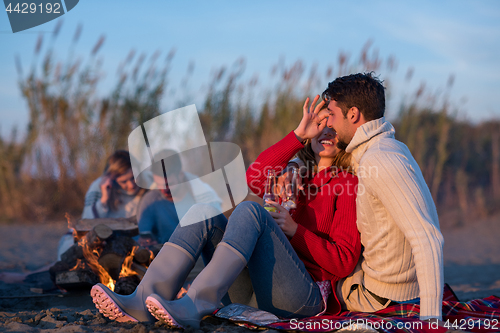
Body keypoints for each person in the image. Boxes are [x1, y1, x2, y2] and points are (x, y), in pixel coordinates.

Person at [90, 97, 361, 328]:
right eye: (320, 124)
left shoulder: (346, 184)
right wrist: (298, 136)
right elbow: (253, 179)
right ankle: (143, 299)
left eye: (333, 126)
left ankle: (194, 304)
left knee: (250, 211)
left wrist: (294, 230)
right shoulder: (292, 173)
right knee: (203, 211)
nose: (326, 131)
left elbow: (345, 261)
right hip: (255, 291)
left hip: (303, 298)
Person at [316, 72, 444, 322]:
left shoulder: (381, 159)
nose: (328, 123)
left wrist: (430, 319)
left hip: (379, 296)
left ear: (352, 114)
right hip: (383, 284)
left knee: (304, 288)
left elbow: (428, 238)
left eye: (331, 114)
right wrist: (293, 166)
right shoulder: (383, 149)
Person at [57, 150, 149, 260]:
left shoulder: (148, 185)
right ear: (112, 179)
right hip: (101, 238)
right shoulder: (99, 187)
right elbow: (87, 221)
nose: (132, 185)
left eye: (134, 177)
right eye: (124, 181)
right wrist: (104, 199)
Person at [136, 150, 222, 247]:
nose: (164, 189)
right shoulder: (150, 201)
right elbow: (144, 237)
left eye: (170, 184)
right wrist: (149, 243)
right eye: (159, 184)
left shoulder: (204, 196)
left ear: (181, 174)